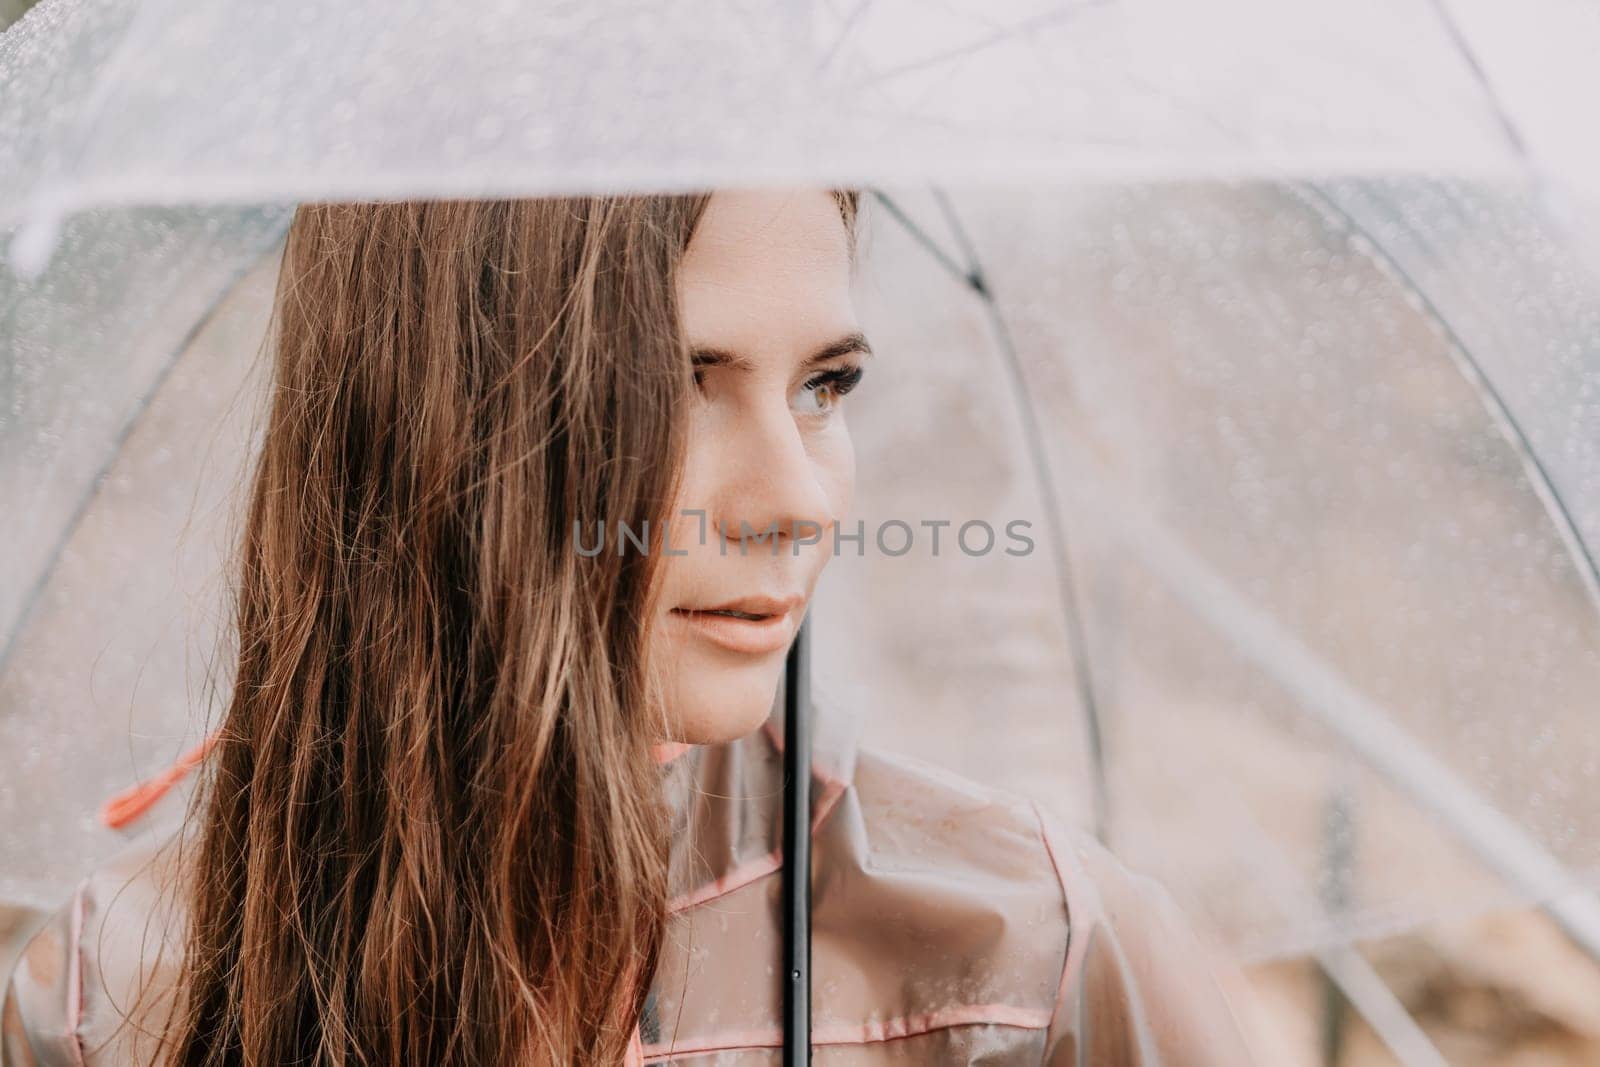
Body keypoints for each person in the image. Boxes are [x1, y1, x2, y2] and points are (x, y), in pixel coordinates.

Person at [1, 190, 1256, 1065]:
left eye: (825, 385)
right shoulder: (113, 996)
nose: (800, 502)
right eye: (675, 385)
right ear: (442, 428)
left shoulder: (1022, 960)